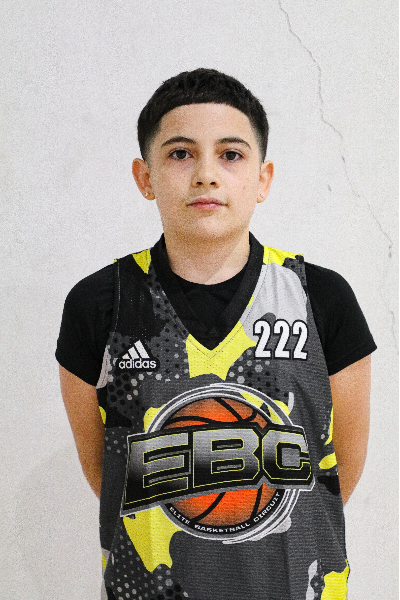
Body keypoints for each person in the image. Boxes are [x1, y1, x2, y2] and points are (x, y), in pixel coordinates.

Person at [57, 68, 376, 600]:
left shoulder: (321, 297)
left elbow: (339, 467)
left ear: (263, 179)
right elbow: (105, 472)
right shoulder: (100, 304)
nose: (206, 174)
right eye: (181, 154)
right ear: (145, 177)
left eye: (230, 154)